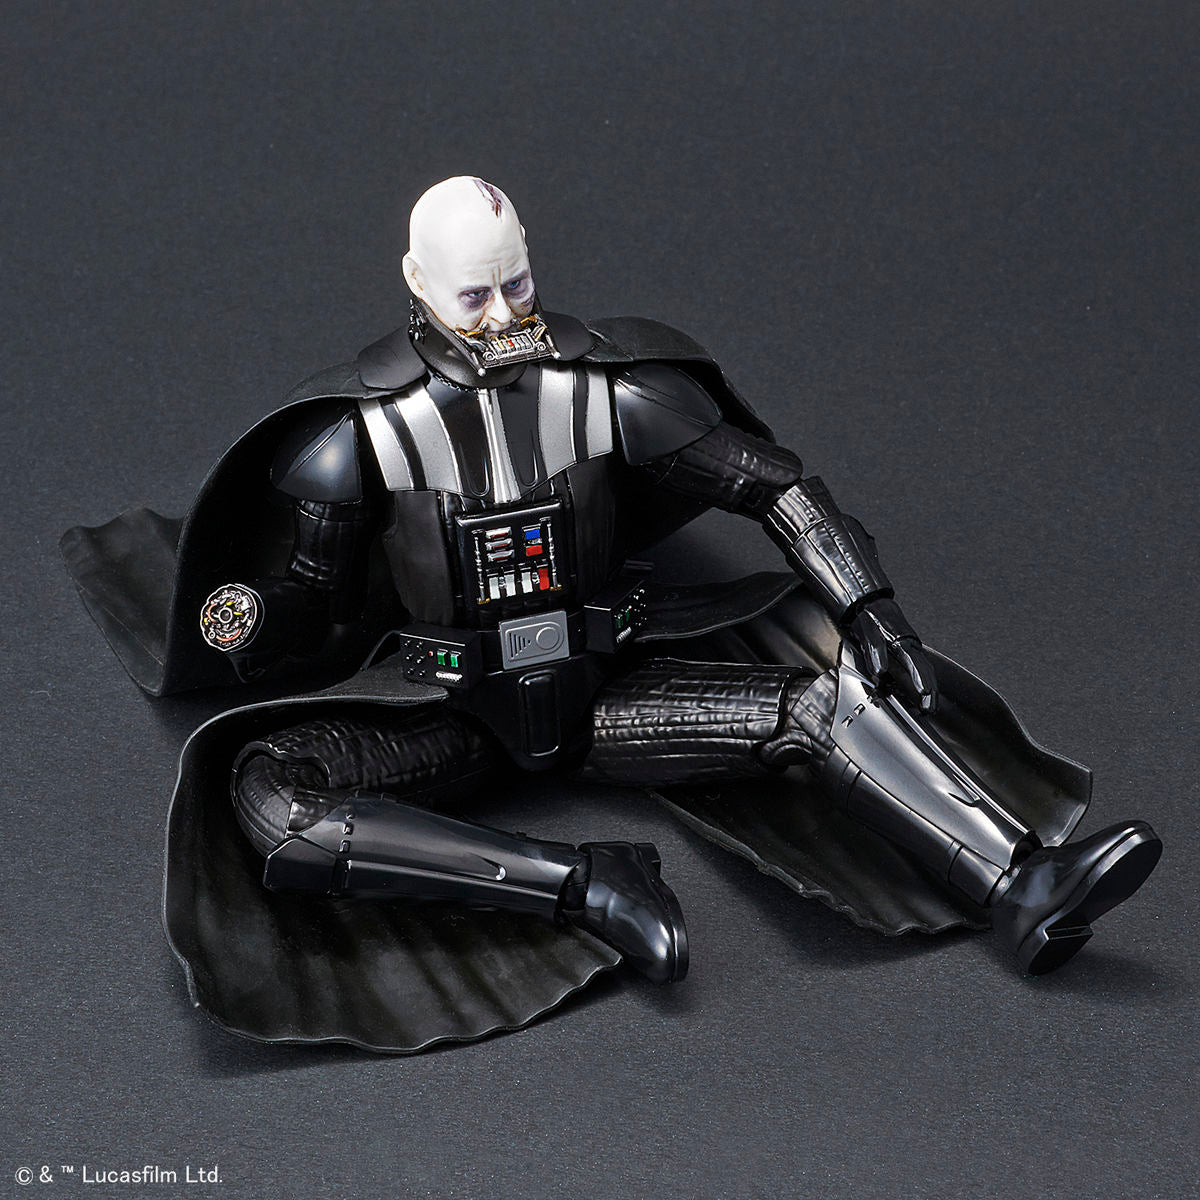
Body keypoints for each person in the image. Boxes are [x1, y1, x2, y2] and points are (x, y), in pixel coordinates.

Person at [64, 177, 1160, 1046]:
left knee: (824, 702)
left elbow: (775, 486)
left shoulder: (607, 392)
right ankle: (586, 888)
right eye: (476, 296)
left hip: (609, 695)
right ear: (416, 284)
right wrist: (249, 618)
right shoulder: (355, 439)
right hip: (447, 715)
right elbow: (307, 612)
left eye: (518, 284)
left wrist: (874, 614)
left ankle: (1019, 880)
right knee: (273, 801)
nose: (506, 316)